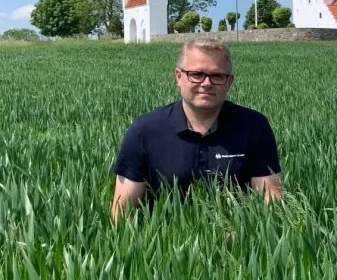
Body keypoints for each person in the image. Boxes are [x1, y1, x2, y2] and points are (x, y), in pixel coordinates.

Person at [110, 36, 282, 222]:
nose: (206, 83)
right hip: (166, 243)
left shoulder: (254, 126)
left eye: (217, 76)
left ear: (229, 82)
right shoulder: (145, 130)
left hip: (236, 244)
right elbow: (122, 212)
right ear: (178, 76)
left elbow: (270, 199)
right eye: (197, 74)